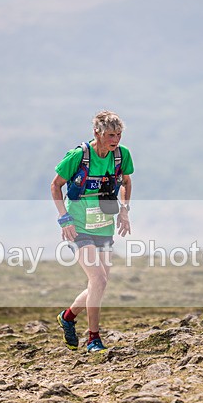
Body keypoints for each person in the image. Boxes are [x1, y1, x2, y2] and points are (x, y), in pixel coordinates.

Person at [50, 110, 133, 352]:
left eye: (118, 134)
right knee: (97, 278)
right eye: (110, 134)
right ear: (96, 132)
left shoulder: (121, 155)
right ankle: (93, 338)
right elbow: (56, 185)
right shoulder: (79, 155)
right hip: (78, 226)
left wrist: (125, 211)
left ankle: (67, 316)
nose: (114, 140)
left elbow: (126, 182)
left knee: (100, 283)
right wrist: (64, 219)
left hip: (103, 225)